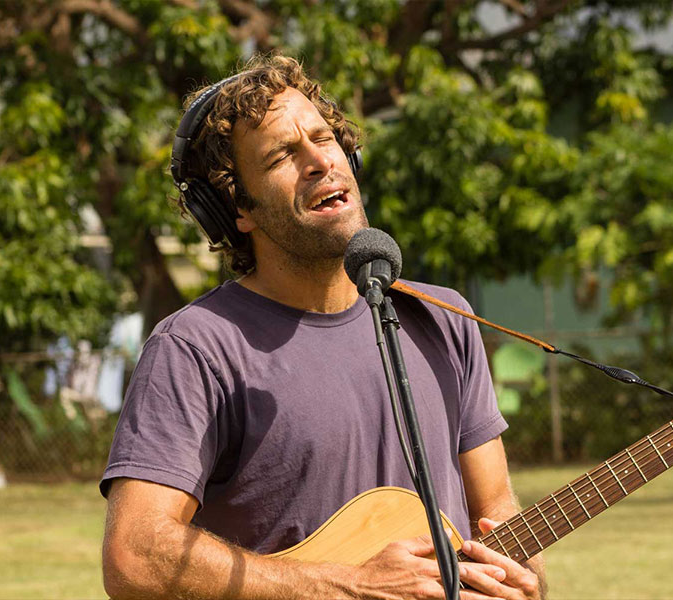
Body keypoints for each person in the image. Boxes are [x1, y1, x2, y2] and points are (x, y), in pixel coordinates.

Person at [100, 54, 545, 600]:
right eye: (283, 154)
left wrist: (527, 585)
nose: (320, 161)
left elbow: (497, 516)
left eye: (323, 138)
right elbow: (135, 556)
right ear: (238, 207)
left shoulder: (442, 318)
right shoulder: (195, 347)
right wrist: (351, 585)